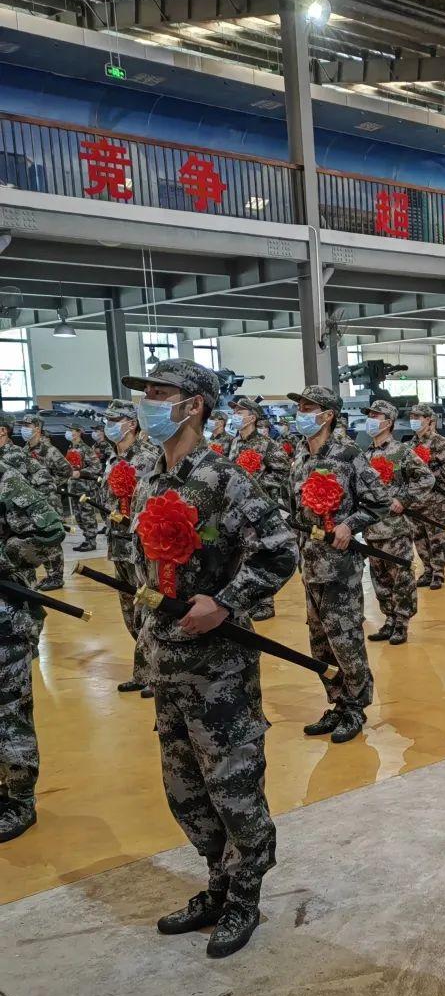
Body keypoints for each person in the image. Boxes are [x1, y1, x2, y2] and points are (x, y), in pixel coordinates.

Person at [122, 359, 299, 958]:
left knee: (233, 784)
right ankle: (216, 883)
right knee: (184, 787)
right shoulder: (149, 477)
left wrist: (224, 603)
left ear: (193, 404)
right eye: (145, 393)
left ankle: (245, 894)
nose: (145, 402)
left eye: (157, 393)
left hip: (218, 667)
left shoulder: (226, 479)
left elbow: (278, 553)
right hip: (167, 662)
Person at [288, 385, 391, 743]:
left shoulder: (348, 455)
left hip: (339, 568)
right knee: (320, 644)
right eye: (299, 406)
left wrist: (350, 525)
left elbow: (379, 501)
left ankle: (355, 707)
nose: (299, 412)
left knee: (346, 641)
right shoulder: (300, 456)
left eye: (307, 407)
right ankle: (336, 702)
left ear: (327, 414)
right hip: (310, 565)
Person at [0, 461, 66, 842]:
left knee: (8, 714)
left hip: (3, 621)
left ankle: (20, 799)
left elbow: (47, 530)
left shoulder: (5, 477)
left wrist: (3, 559)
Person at [360, 399, 435, 646]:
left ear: (388, 422)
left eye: (375, 415)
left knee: (400, 578)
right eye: (369, 414)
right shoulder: (365, 454)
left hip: (395, 529)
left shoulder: (401, 452)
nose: (370, 418)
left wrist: (404, 499)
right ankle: (389, 619)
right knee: (380, 579)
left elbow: (426, 478)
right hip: (372, 529)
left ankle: (401, 623)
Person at [100, 400, 158, 695]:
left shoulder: (147, 458)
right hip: (118, 546)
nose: (108, 424)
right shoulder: (113, 459)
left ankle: (156, 675)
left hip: (141, 547)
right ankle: (143, 670)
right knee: (129, 612)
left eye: (115, 419)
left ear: (131, 424)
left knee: (147, 612)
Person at [226, 396, 292, 620]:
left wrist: (259, 487)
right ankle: (247, 599)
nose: (235, 416)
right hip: (238, 510)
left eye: (240, 412)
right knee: (242, 552)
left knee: (261, 552)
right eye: (234, 412)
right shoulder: (236, 442)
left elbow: (283, 471)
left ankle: (265, 603)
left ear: (252, 418)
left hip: (258, 509)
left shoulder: (266, 444)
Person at [407, 403, 445, 590]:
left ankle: (438, 573)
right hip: (416, 500)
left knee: (436, 536)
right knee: (419, 537)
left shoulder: (438, 441)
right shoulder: (410, 444)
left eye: (418, 417)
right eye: (412, 416)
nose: (414, 420)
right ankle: (428, 570)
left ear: (429, 420)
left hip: (435, 500)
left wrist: (437, 479)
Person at [13, 414, 70, 590]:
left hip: (49, 502)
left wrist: (49, 484)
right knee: (41, 539)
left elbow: (66, 470)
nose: (24, 428)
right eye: (23, 425)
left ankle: (57, 577)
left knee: (52, 539)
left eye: (27, 425)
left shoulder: (49, 450)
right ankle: (49, 574)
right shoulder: (23, 451)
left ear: (37, 428)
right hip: (32, 504)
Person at [63, 422, 103, 551]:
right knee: (78, 516)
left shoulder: (85, 449)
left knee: (87, 515)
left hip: (85, 488)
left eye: (71, 430)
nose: (69, 432)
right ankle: (87, 539)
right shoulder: (71, 448)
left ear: (79, 432)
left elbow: (97, 467)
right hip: (74, 487)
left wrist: (81, 473)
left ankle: (91, 542)